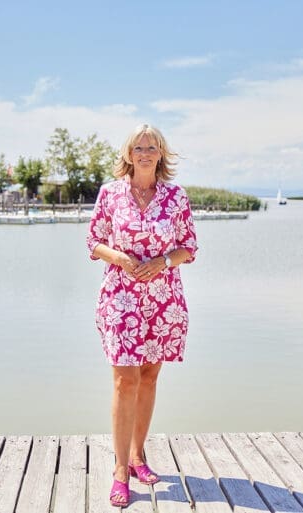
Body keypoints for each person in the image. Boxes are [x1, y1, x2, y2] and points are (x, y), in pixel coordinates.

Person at [87, 124, 197, 507]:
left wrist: (163, 261)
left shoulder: (176, 197)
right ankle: (120, 470)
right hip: (121, 298)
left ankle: (138, 456)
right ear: (128, 154)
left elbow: (188, 246)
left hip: (163, 299)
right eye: (139, 147)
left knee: (149, 377)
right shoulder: (110, 194)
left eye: (152, 146)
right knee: (124, 380)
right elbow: (93, 241)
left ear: (161, 153)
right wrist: (119, 257)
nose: (146, 152)